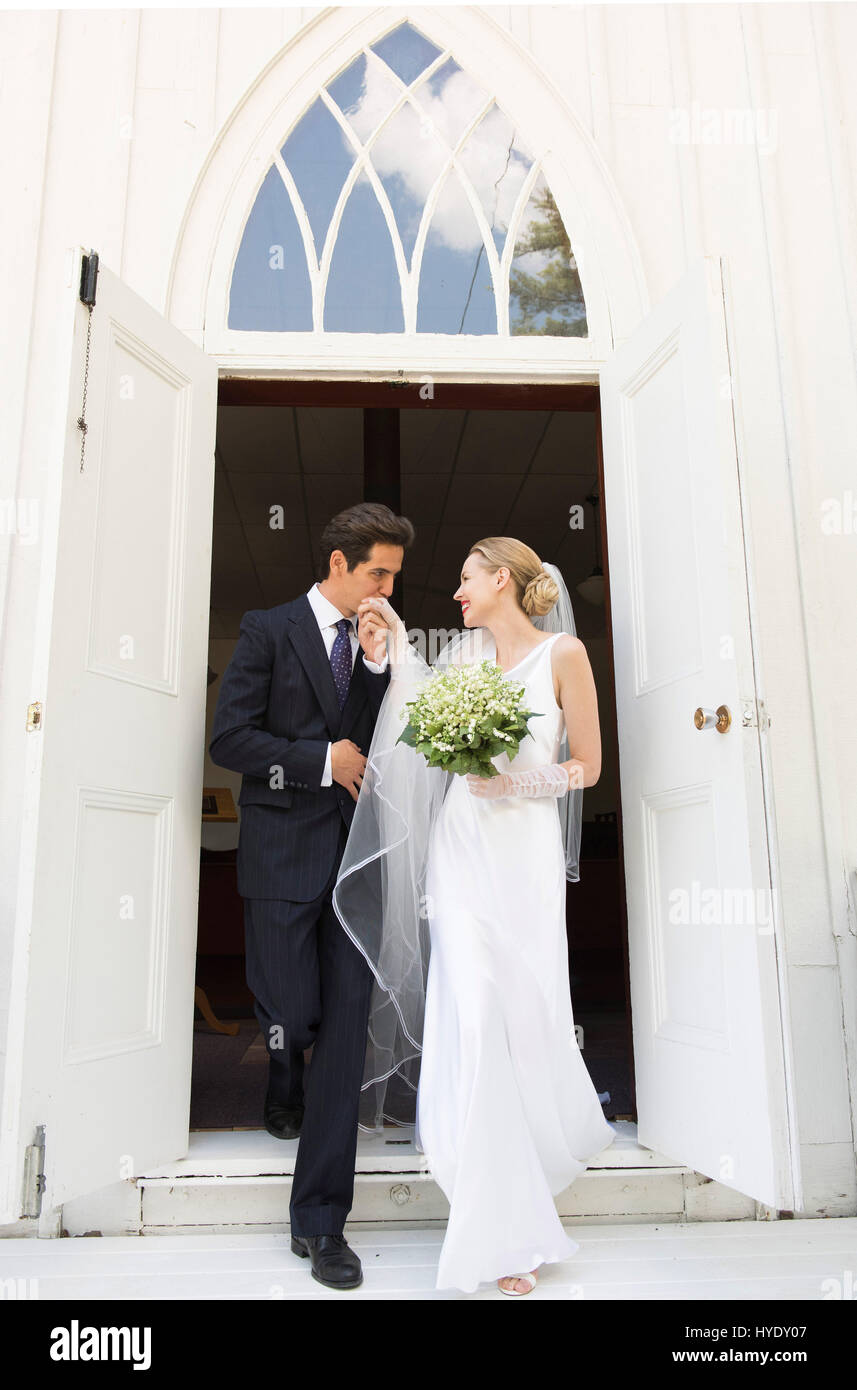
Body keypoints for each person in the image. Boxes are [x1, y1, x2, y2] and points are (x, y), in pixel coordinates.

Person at [335, 537, 617, 1295]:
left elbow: (587, 764)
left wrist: (517, 786)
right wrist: (389, 645)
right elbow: (416, 710)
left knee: (520, 1016)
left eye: (465, 579)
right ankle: (493, 1224)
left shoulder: (563, 655)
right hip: (459, 852)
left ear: (501, 579)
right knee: (473, 1011)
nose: (456, 593)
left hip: (521, 855)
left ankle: (522, 1194)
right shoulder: (459, 659)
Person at [208, 502, 414, 1290]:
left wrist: (370, 670)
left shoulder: (372, 641)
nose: (387, 588)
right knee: (290, 1014)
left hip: (355, 867)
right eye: (377, 573)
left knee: (345, 1036)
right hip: (280, 856)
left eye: (393, 575)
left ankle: (322, 1222)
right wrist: (317, 761)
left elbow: (370, 741)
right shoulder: (265, 629)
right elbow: (231, 741)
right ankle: (280, 1063)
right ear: (338, 564)